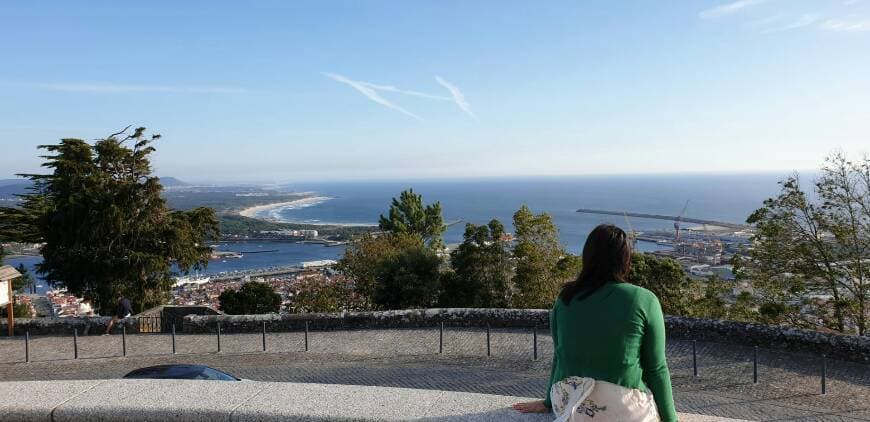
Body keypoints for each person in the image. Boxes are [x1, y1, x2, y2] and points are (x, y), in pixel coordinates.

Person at [513, 224, 677, 421]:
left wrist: (548, 402)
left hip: (567, 403)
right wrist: (671, 420)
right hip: (619, 408)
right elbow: (656, 368)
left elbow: (559, 355)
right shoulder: (643, 299)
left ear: (587, 256)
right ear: (624, 259)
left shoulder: (565, 298)